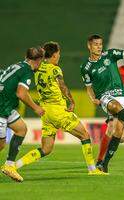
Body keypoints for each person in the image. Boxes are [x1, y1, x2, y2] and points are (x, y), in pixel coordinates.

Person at [14, 41, 106, 182]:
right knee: (85, 135)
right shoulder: (54, 69)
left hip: (46, 112)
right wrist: (71, 101)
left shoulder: (38, 67)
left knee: (46, 149)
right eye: (58, 54)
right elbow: (62, 85)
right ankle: (92, 170)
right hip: (58, 110)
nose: (59, 56)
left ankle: (14, 166)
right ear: (55, 55)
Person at [80, 34, 124, 173]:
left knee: (118, 132)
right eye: (95, 44)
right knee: (115, 108)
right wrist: (92, 98)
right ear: (89, 46)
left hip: (122, 95)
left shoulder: (110, 54)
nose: (99, 47)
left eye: (100, 44)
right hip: (105, 96)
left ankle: (104, 165)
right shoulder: (85, 67)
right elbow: (88, 86)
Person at [0, 47, 45, 181]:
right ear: (38, 60)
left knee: (21, 129)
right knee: (1, 144)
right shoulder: (27, 70)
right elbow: (21, 93)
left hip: (7, 106)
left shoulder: (18, 65)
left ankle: (9, 166)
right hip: (1, 108)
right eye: (41, 61)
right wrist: (36, 107)